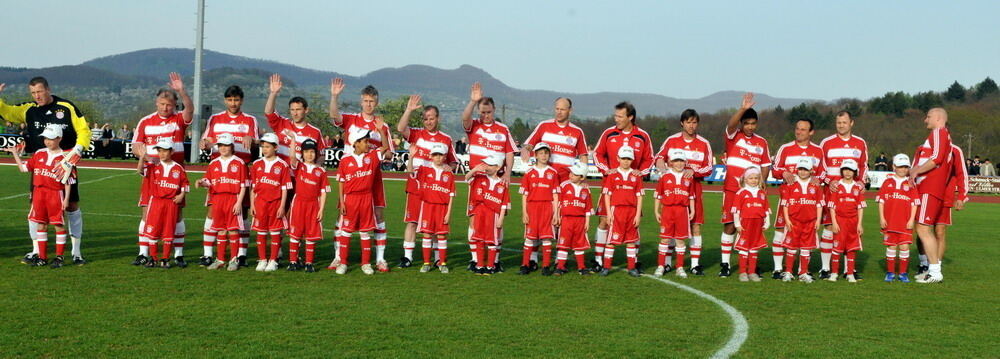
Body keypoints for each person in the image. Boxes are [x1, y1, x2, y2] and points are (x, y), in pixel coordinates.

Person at [1, 77, 91, 265]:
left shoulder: (66, 107)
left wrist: (76, 150)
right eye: (33, 93)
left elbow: (84, 130)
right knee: (36, 208)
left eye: (40, 92)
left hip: (64, 166)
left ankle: (76, 252)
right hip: (41, 167)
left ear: (48, 89)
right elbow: (7, 112)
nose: (37, 96)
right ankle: (36, 251)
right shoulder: (29, 109)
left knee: (72, 206)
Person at [328, 79, 393, 267]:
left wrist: (380, 132)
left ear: (377, 102)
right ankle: (339, 256)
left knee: (378, 216)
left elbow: (388, 153)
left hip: (373, 179)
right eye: (365, 101)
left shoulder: (382, 125)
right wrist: (334, 96)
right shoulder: (351, 119)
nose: (369, 104)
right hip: (351, 178)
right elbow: (334, 116)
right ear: (361, 102)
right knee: (342, 215)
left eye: (372, 101)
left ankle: (380, 259)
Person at [132, 73, 193, 267]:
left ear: (174, 105)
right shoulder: (145, 121)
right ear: (156, 103)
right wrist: (145, 157)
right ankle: (143, 253)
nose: (165, 108)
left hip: (175, 176)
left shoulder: (178, 120)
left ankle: (178, 254)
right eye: (161, 104)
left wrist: (181, 91)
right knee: (146, 213)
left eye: (169, 105)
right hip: (152, 175)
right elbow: (136, 146)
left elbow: (190, 110)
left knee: (177, 215)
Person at [396, 94, 458, 268]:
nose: (429, 121)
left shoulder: (446, 139)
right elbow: (401, 128)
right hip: (416, 185)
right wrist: (408, 109)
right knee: (412, 221)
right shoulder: (416, 133)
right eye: (425, 119)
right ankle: (407, 257)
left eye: (431, 118)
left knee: (437, 226)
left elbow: (453, 162)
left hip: (436, 189)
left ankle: (438, 259)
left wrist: (449, 168)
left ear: (438, 118)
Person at [592, 101, 654, 272]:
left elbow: (650, 159)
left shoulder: (642, 136)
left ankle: (634, 261)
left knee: (633, 224)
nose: (616, 119)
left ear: (630, 117)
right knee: (604, 221)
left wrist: (640, 173)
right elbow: (597, 154)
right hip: (611, 187)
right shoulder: (609, 133)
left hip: (632, 190)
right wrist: (607, 170)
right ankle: (598, 259)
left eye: (620, 116)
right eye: (615, 115)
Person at [200, 85, 258, 266]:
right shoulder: (215, 119)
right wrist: (204, 143)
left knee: (243, 214)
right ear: (225, 100)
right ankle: (208, 254)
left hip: (241, 170)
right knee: (212, 212)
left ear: (242, 100)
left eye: (237, 100)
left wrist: (253, 141)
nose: (233, 103)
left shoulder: (250, 120)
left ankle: (240, 255)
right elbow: (207, 140)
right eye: (230, 100)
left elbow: (256, 141)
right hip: (218, 171)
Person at [461, 82, 517, 271]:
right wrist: (472, 101)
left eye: (488, 112)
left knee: (497, 221)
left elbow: (509, 152)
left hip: (498, 181)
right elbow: (465, 118)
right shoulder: (474, 126)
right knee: (474, 218)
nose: (485, 115)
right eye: (482, 112)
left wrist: (508, 173)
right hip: (478, 180)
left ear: (494, 110)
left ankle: (496, 260)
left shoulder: (503, 129)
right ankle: (475, 259)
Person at [6, 124, 75, 268]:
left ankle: (59, 257)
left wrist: (67, 198)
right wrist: (15, 153)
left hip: (55, 194)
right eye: (45, 138)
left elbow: (68, 180)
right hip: (39, 194)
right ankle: (42, 257)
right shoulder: (39, 153)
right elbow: (24, 168)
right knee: (41, 224)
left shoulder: (65, 157)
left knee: (58, 225)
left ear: (59, 138)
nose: (47, 141)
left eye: (50, 138)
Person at [655, 109, 713, 275]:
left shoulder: (704, 143)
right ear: (682, 123)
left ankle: (694, 265)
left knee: (695, 226)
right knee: (670, 228)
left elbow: (709, 167)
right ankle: (666, 263)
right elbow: (659, 157)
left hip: (693, 190)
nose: (691, 126)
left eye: (694, 122)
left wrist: (694, 172)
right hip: (673, 190)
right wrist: (663, 170)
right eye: (688, 122)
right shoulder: (672, 140)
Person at [719, 93, 772, 277]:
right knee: (730, 226)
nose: (750, 127)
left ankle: (751, 265)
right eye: (746, 123)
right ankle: (725, 264)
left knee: (752, 227)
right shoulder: (734, 136)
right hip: (733, 189)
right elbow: (730, 124)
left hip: (753, 192)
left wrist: (762, 183)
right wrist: (742, 108)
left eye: (753, 123)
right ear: (742, 123)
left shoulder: (762, 142)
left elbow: (765, 166)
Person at [769, 118, 824, 279]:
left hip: (808, 202)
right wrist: (784, 173)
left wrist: (817, 178)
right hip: (788, 200)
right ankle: (779, 269)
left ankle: (802, 270)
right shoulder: (785, 148)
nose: (799, 132)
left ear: (811, 132)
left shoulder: (818, 150)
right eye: (797, 129)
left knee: (807, 233)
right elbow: (775, 169)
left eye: (803, 129)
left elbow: (823, 172)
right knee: (781, 231)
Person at [818, 110, 868, 279]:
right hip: (831, 192)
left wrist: (861, 182)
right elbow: (820, 168)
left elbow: (863, 166)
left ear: (851, 123)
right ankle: (825, 268)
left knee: (850, 229)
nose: (841, 125)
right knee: (830, 227)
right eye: (838, 122)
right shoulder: (826, 142)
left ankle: (849, 270)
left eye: (844, 122)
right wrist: (828, 181)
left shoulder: (860, 143)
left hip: (851, 193)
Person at [909, 108, 953, 283]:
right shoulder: (941, 135)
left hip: (930, 188)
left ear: (938, 118)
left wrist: (915, 172)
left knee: (923, 228)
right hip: (930, 188)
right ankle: (932, 269)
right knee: (923, 228)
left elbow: (936, 158)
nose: (925, 120)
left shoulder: (939, 132)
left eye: (928, 117)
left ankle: (934, 271)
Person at [333, 130, 383, 275]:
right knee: (346, 232)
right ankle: (343, 263)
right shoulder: (345, 160)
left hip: (367, 198)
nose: (368, 144)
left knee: (365, 232)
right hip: (350, 199)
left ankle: (366, 264)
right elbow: (341, 182)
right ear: (356, 143)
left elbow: (385, 148)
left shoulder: (372, 157)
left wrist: (381, 132)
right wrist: (342, 202)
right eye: (365, 141)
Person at [198, 134, 250, 271]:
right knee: (220, 230)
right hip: (217, 199)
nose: (223, 148)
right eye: (220, 145)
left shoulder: (239, 163)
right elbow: (208, 181)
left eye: (226, 145)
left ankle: (234, 259)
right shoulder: (213, 163)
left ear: (232, 146)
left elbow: (244, 185)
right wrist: (201, 182)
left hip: (233, 199)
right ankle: (220, 259)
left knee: (233, 230)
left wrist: (239, 202)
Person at [916, 144, 968, 278]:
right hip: (924, 194)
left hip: (945, 196)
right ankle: (923, 264)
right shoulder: (922, 148)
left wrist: (961, 196)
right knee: (922, 230)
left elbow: (962, 173)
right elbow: (915, 170)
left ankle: (935, 267)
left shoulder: (955, 150)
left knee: (940, 231)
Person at [140, 138, 189, 269]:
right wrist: (141, 157)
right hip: (156, 201)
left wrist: (181, 195)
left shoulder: (178, 168)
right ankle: (153, 258)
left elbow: (185, 184)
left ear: (171, 151)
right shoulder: (153, 165)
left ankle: (165, 258)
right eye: (159, 151)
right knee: (153, 230)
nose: (162, 153)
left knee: (168, 230)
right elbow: (140, 171)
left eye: (165, 151)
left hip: (171, 203)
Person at [599, 146, 644, 277]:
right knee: (611, 241)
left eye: (629, 159)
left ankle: (631, 268)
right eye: (623, 158)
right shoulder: (612, 175)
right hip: (616, 210)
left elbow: (640, 196)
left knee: (631, 241)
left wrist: (638, 214)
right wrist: (608, 213)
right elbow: (607, 195)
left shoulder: (636, 176)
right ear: (618, 158)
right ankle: (606, 267)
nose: (626, 161)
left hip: (631, 212)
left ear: (632, 160)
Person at [249, 133, 292, 272]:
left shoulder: (282, 165)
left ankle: (273, 260)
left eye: (268, 146)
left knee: (274, 232)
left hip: (275, 203)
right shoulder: (256, 164)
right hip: (260, 203)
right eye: (263, 147)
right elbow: (253, 188)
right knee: (261, 233)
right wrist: (252, 204)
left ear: (275, 147)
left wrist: (282, 206)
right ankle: (262, 260)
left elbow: (285, 188)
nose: (265, 149)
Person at [284, 139, 328, 273]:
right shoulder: (299, 167)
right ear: (302, 153)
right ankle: (293, 261)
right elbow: (292, 157)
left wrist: (321, 209)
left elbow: (323, 191)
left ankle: (309, 263)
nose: (309, 155)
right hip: (299, 203)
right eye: (306, 152)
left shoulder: (321, 171)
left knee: (311, 234)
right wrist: (292, 140)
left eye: (312, 152)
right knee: (295, 233)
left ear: (316, 153)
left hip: (313, 204)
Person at [521, 97, 590, 182]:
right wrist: (525, 150)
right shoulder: (544, 126)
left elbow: (583, 156)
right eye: (557, 109)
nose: (559, 112)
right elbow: (529, 145)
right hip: (545, 178)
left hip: (566, 179)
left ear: (570, 110)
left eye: (562, 109)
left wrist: (583, 177)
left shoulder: (578, 131)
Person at [517, 142, 560, 275]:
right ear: (535, 155)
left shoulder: (553, 173)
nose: (544, 156)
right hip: (532, 207)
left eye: (546, 153)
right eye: (541, 153)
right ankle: (525, 265)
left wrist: (556, 213)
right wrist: (524, 212)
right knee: (530, 238)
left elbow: (555, 194)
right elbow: (524, 195)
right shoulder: (529, 173)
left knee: (546, 238)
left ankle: (546, 266)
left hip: (547, 207)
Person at [876, 154, 919, 283]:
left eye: (906, 167)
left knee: (904, 247)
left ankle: (903, 273)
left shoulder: (911, 183)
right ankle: (890, 273)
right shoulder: (887, 182)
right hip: (890, 222)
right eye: (900, 167)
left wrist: (911, 220)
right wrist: (882, 218)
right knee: (891, 247)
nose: (903, 169)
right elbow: (881, 201)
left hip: (905, 222)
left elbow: (914, 203)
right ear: (894, 167)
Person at [779, 159, 823, 283]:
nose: (803, 172)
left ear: (811, 171)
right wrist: (787, 219)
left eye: (806, 169)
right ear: (797, 170)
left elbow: (819, 204)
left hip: (810, 222)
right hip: (794, 221)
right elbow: (785, 204)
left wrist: (818, 220)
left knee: (806, 248)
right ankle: (788, 271)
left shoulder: (815, 185)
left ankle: (803, 272)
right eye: (801, 169)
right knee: (791, 247)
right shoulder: (790, 184)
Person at [653, 149, 695, 278]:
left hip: (682, 211)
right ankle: (661, 266)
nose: (679, 164)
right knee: (665, 239)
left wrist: (692, 210)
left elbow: (691, 196)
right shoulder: (665, 176)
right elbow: (658, 195)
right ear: (670, 162)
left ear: (685, 162)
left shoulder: (688, 177)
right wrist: (656, 211)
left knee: (680, 240)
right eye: (676, 161)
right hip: (668, 210)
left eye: (681, 161)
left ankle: (680, 267)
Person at [415, 143, 456, 273]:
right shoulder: (424, 170)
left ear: (444, 157)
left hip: (442, 209)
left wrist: (449, 213)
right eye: (435, 155)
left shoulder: (449, 174)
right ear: (431, 156)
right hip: (427, 207)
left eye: (440, 155)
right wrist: (411, 157)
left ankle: (442, 263)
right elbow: (411, 172)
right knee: (427, 235)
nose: (438, 158)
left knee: (442, 237)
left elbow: (451, 195)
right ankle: (426, 262)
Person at [465, 155, 510, 275]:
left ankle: (490, 266)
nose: (486, 167)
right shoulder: (479, 178)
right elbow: (466, 178)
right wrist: (474, 170)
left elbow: (504, 203)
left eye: (490, 165)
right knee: (479, 239)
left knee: (492, 241)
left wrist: (500, 219)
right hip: (479, 213)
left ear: (497, 167)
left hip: (493, 215)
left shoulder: (502, 183)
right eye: (486, 164)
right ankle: (479, 266)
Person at [264, 74, 324, 163]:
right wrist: (273, 93)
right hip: (280, 172)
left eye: (298, 109)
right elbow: (268, 112)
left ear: (306, 110)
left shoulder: (315, 132)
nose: (295, 113)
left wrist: (315, 169)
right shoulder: (282, 123)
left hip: (299, 175)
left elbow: (321, 155)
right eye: (292, 110)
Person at [827, 159, 866, 283]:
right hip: (839, 220)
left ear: (855, 172)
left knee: (851, 248)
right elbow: (832, 206)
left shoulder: (857, 187)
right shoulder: (837, 186)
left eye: (851, 170)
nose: (848, 172)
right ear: (841, 171)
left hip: (853, 222)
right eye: (845, 169)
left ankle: (850, 273)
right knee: (837, 248)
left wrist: (859, 224)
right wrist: (834, 222)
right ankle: (834, 273)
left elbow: (860, 207)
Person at [553, 161, 593, 276]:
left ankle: (581, 267)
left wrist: (587, 222)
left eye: (574, 174)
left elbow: (588, 207)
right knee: (563, 244)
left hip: (580, 220)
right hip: (566, 219)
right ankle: (560, 266)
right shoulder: (565, 186)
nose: (571, 175)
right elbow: (559, 202)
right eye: (571, 173)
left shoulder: (586, 190)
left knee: (579, 244)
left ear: (582, 177)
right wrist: (557, 215)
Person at [732, 166, 770, 282]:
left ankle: (752, 272)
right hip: (745, 224)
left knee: (754, 247)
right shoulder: (741, 193)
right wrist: (737, 224)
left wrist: (767, 221)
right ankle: (743, 272)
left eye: (756, 178)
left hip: (758, 224)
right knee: (744, 247)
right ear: (745, 179)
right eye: (751, 178)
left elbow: (766, 209)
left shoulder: (762, 193)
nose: (753, 180)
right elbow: (736, 210)